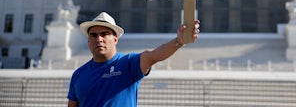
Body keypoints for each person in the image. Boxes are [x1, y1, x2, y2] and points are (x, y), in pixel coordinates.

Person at [67, 12, 200, 107]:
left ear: (115, 39)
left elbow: (153, 55)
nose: (99, 39)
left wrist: (178, 41)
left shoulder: (128, 64)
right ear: (88, 40)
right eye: (94, 35)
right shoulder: (78, 75)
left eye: (104, 34)